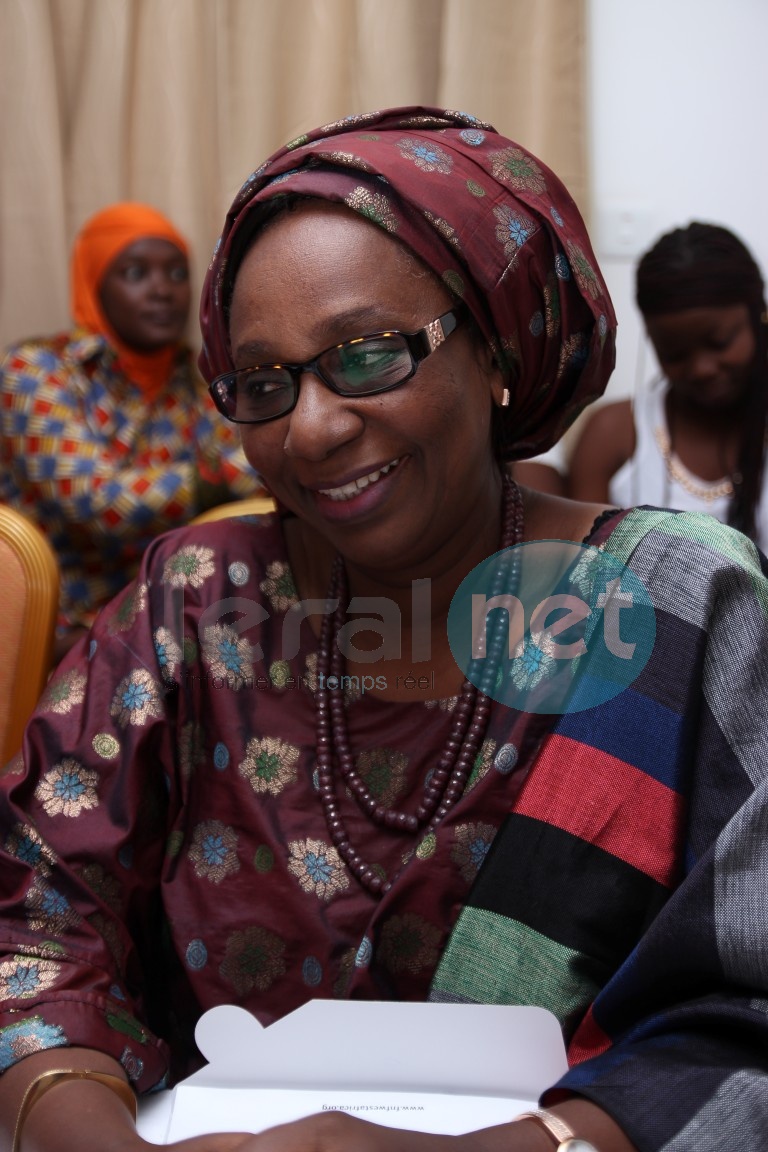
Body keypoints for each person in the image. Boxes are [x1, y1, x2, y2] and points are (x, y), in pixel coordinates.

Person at [1, 108, 767, 1152]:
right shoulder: (193, 603)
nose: (310, 427)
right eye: (264, 383)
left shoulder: (680, 603)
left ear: (495, 351)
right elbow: (36, 911)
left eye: (365, 357)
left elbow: (745, 1008)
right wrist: (94, 1138)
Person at [0, 202, 262, 660]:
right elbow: (97, 501)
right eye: (136, 273)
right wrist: (215, 480)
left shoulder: (198, 380)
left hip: (175, 616)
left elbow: (256, 467)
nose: (163, 291)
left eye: (178, 274)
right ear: (95, 283)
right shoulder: (36, 372)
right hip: (53, 629)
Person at [568, 222, 768, 547]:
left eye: (719, 342)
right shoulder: (614, 436)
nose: (702, 368)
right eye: (674, 353)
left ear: (760, 313)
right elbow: (587, 578)